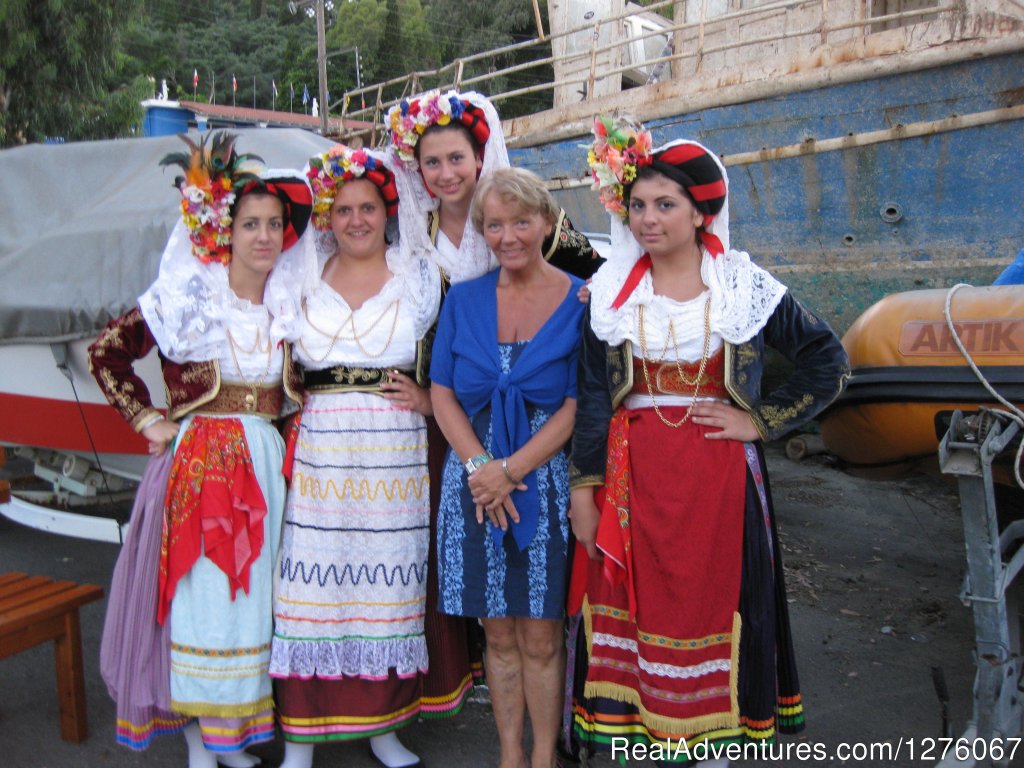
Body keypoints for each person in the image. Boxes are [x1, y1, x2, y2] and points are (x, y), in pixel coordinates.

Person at [566, 117, 850, 766]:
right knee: (636, 606)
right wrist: (584, 489)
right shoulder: (610, 292)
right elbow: (590, 396)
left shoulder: (740, 288)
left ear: (700, 214)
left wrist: (762, 420)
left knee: (712, 599)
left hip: (715, 471)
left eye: (665, 205)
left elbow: (826, 359)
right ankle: (649, 736)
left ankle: (713, 740)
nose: (648, 219)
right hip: (632, 472)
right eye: (637, 205)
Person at [90, 131, 314, 768]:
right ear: (224, 229)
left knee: (253, 603)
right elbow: (106, 353)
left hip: (266, 466)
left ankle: (228, 736)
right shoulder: (184, 300)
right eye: (251, 224)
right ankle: (201, 741)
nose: (266, 236)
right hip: (200, 465)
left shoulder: (288, 306)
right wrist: (149, 420)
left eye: (275, 224)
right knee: (202, 602)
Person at [269, 144, 440, 768]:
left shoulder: (417, 275)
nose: (357, 219)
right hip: (320, 449)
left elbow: (449, 355)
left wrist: (427, 398)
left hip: (394, 450)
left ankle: (383, 727)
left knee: (388, 589)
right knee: (309, 589)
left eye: (367, 206)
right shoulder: (301, 277)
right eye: (343, 209)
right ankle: (301, 738)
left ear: (386, 209)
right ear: (327, 216)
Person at [430, 167, 586, 768]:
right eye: (495, 224)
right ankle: (509, 756)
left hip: (540, 483)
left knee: (542, 634)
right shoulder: (463, 299)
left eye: (522, 221)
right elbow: (442, 392)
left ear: (547, 222)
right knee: (496, 632)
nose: (509, 235)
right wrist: (480, 466)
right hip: (472, 485)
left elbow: (577, 404)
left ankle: (545, 756)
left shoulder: (578, 301)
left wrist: (509, 469)